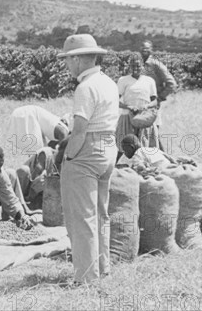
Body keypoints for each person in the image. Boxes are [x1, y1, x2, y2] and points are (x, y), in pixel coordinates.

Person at [57, 34, 119, 283]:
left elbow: (80, 130)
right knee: (100, 213)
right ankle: (103, 267)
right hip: (108, 147)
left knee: (81, 217)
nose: (67, 65)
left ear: (80, 59)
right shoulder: (108, 83)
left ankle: (85, 277)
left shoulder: (85, 88)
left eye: (68, 60)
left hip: (88, 151)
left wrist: (68, 157)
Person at [116, 53, 159, 162]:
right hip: (127, 118)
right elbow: (115, 100)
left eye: (138, 66)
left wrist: (146, 106)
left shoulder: (149, 81)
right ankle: (116, 169)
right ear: (129, 67)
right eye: (133, 66)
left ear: (142, 66)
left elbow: (155, 101)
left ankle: (145, 171)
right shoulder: (123, 80)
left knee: (146, 148)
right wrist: (128, 107)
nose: (136, 68)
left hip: (144, 118)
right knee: (124, 147)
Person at [140, 41, 177, 150]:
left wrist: (159, 98)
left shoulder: (157, 65)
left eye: (147, 49)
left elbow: (172, 84)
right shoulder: (140, 65)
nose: (144, 51)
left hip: (152, 105)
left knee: (153, 133)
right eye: (142, 48)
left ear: (151, 50)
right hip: (141, 105)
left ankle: (167, 162)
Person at [16, 146, 58, 210]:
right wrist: (31, 193)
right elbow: (37, 171)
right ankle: (22, 202)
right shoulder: (46, 153)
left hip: (34, 189)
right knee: (43, 178)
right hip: (24, 184)